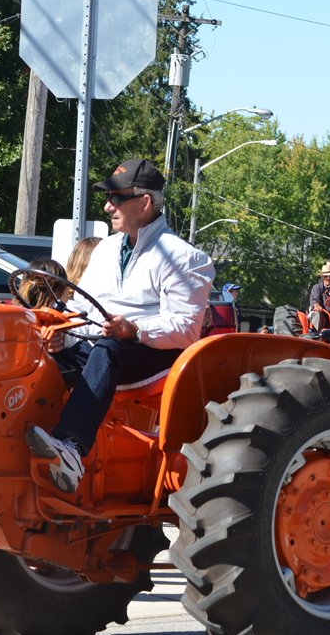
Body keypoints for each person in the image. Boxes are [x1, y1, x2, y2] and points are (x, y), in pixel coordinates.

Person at [24, 158, 214, 492]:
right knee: (40, 361)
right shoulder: (106, 250)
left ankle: (71, 448)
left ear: (145, 202)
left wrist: (135, 330)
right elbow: (83, 308)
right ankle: (15, 438)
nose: (107, 206)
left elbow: (186, 329)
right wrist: (61, 334)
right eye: (108, 197)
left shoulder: (184, 257)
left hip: (154, 354)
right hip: (103, 346)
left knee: (109, 349)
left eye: (116, 198)